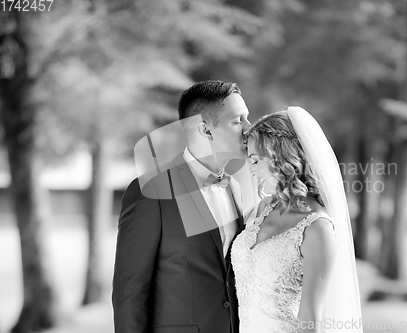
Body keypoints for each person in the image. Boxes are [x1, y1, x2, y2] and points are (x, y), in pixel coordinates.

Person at [112, 80, 252, 333]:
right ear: (206, 130)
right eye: (238, 120)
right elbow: (130, 293)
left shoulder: (235, 189)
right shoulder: (151, 190)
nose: (249, 129)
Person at [231, 107, 363, 333]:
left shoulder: (317, 228)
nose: (250, 169)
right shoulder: (264, 208)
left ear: (280, 157)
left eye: (255, 160)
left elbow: (310, 319)